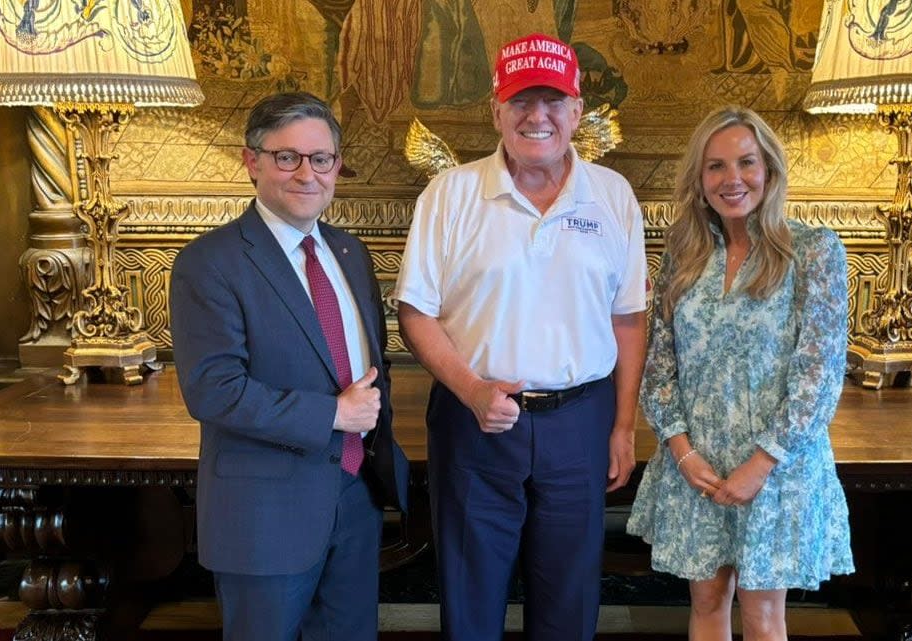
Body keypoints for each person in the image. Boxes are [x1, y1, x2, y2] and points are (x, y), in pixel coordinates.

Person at [395, 33, 649, 641]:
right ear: (496, 111)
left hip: (579, 423)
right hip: (474, 421)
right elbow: (415, 312)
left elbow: (629, 318)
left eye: (553, 100)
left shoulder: (613, 195)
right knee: (470, 592)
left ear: (578, 111)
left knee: (569, 598)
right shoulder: (451, 193)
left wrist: (621, 426)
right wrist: (473, 389)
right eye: (521, 101)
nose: (538, 116)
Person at [170, 91, 409, 641]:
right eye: (288, 157)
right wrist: (331, 414)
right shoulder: (209, 263)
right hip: (265, 515)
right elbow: (213, 390)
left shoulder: (350, 252)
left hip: (354, 500)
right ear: (252, 161)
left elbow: (371, 366)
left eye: (321, 159)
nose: (308, 174)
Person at [626, 105, 854, 640]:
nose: (732, 179)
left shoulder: (813, 251)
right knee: (706, 603)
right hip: (697, 463)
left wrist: (761, 462)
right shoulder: (683, 253)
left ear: (770, 170)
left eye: (746, 163)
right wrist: (681, 450)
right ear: (699, 179)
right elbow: (658, 367)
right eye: (716, 166)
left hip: (774, 467)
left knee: (763, 614)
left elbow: (818, 378)